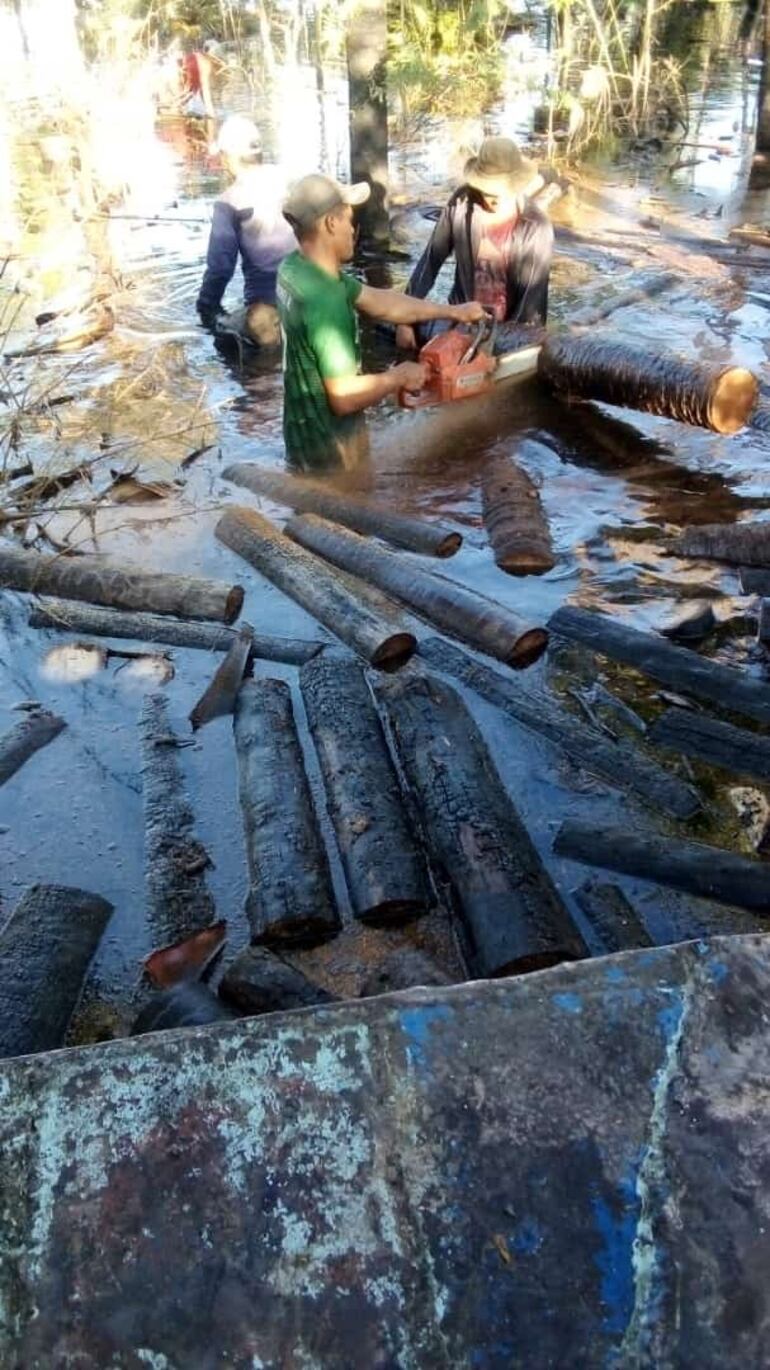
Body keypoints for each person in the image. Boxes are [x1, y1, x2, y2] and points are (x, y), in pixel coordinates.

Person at [276, 173, 485, 473]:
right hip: (333, 453)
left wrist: (453, 312)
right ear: (330, 224)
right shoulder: (326, 300)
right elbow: (343, 396)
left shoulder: (295, 268)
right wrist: (397, 377)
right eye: (349, 220)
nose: (353, 230)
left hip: (301, 437)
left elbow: (380, 302)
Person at [395, 136, 553, 353]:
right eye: (488, 192)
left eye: (500, 193)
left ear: (517, 185)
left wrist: (501, 346)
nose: (494, 199)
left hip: (514, 333)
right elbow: (430, 261)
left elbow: (529, 303)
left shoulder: (536, 227)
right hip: (462, 322)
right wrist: (405, 317)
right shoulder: (461, 205)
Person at [196, 116, 295, 347]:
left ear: (227, 157)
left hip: (268, 304)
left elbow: (220, 269)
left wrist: (205, 308)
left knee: (225, 339)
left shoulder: (228, 202)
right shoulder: (286, 180)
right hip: (308, 290)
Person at [178, 43, 216, 119]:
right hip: (201, 72)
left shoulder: (189, 58)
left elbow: (185, 72)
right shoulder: (202, 57)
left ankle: (184, 107)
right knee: (203, 91)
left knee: (194, 91)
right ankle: (210, 112)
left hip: (197, 72)